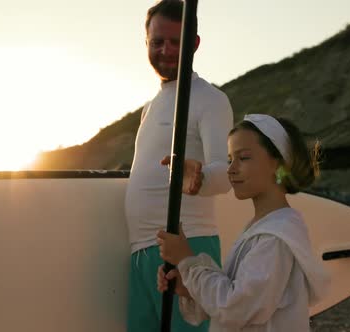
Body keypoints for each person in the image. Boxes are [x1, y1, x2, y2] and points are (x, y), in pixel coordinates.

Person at [156, 114, 331, 331]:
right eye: (230, 159)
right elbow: (237, 296)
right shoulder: (262, 227)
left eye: (244, 158)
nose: (231, 169)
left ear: (279, 164)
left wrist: (187, 261)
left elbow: (235, 308)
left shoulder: (276, 237)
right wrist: (189, 287)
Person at [124, 0, 234, 331]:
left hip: (188, 245)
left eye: (176, 41)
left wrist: (198, 178)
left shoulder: (210, 99)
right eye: (157, 41)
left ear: (194, 44)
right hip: (141, 252)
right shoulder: (150, 107)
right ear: (146, 43)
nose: (166, 50)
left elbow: (225, 174)